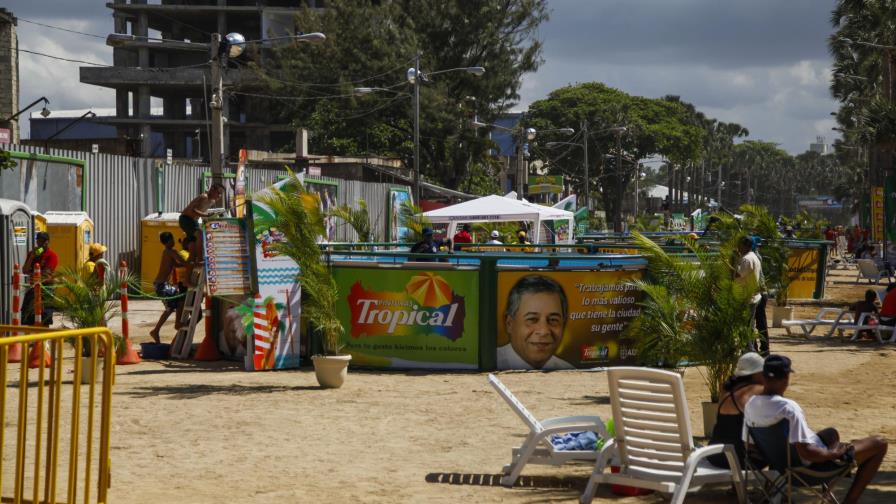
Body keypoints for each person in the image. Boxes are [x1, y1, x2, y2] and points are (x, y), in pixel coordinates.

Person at [743, 355, 887, 504]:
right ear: (786, 379)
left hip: (781, 467)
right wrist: (832, 454)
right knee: (879, 443)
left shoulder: (751, 404)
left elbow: (751, 446)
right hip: (808, 470)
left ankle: (828, 490)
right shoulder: (788, 408)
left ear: (763, 377)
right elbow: (807, 452)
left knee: (831, 433)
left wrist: (775, 451)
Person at [497, 275, 574, 370]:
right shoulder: (491, 363)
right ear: (509, 323)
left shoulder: (568, 370)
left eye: (553, 320)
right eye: (532, 319)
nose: (544, 331)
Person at [707, 352, 766, 469]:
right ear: (757, 373)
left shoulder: (726, 389)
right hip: (739, 458)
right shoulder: (757, 389)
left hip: (714, 455)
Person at [149, 232, 189, 343]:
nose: (174, 241)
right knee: (180, 298)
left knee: (170, 308)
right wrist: (194, 261)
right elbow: (183, 261)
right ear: (169, 241)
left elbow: (177, 265)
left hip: (161, 284)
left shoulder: (166, 252)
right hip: (161, 285)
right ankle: (177, 324)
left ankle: (156, 331)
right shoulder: (172, 252)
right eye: (172, 239)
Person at [736, 236, 769, 355]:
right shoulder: (754, 256)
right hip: (756, 294)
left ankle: (754, 352)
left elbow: (738, 275)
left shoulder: (747, 259)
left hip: (752, 295)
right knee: (753, 325)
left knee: (750, 326)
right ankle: (756, 350)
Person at [22, 232, 59, 327]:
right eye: (39, 241)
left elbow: (46, 275)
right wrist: (31, 257)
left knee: (45, 318)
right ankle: (31, 340)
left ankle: (43, 340)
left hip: (46, 290)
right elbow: (25, 270)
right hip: (32, 289)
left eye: (44, 241)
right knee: (29, 318)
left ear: (48, 242)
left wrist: (33, 274)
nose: (41, 244)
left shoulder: (52, 255)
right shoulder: (32, 253)